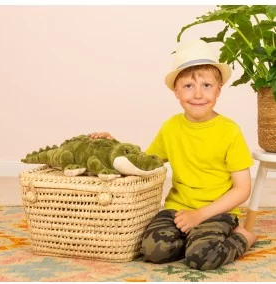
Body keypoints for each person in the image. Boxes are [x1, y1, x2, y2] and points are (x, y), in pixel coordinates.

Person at [90, 40, 256, 271]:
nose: (198, 94)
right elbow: (145, 163)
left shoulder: (230, 130)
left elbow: (242, 189)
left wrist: (199, 215)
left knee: (202, 258)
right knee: (152, 251)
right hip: (177, 209)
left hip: (217, 212)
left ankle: (243, 238)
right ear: (176, 91)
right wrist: (112, 146)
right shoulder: (170, 127)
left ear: (219, 88)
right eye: (188, 86)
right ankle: (193, 239)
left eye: (207, 85)